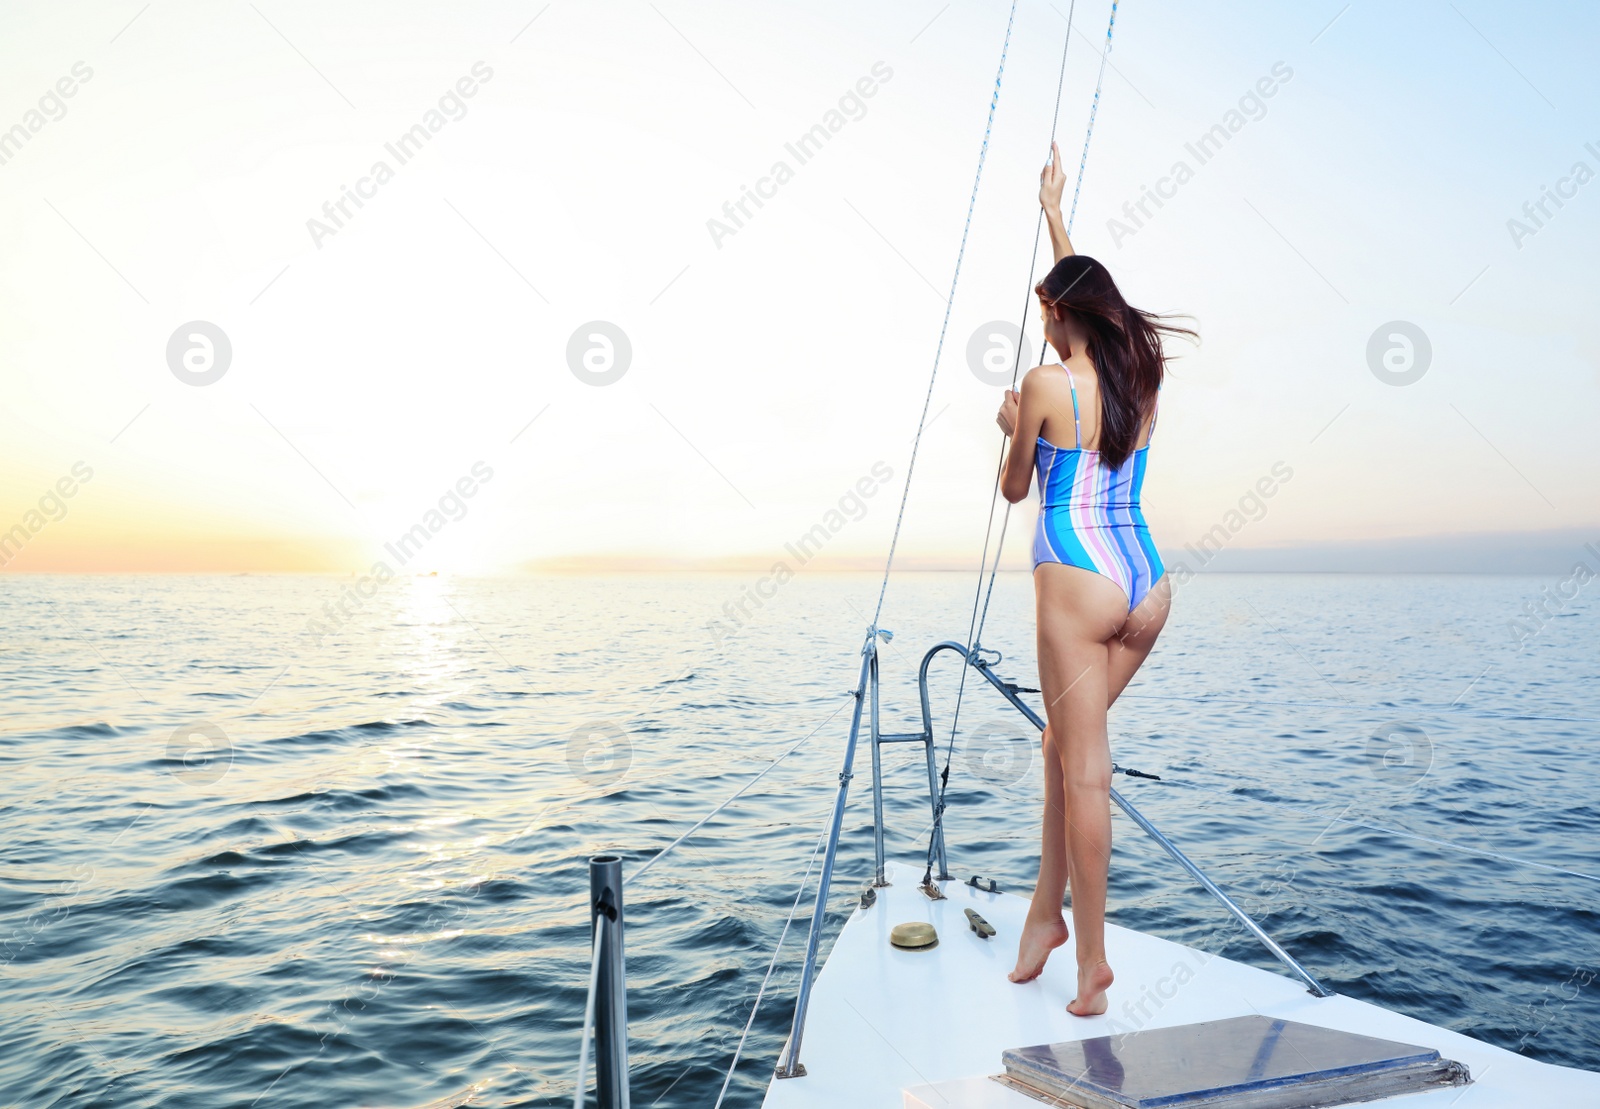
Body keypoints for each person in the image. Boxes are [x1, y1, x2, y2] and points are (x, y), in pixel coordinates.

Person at [994, 141, 1193, 1016]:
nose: (1041, 325)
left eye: (1046, 314)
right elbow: (1076, 294)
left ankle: (1093, 964)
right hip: (1145, 583)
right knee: (1059, 746)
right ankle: (1044, 917)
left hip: (1075, 579)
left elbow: (1014, 488)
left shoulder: (1041, 384)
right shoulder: (1141, 377)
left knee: (1083, 772)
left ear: (1059, 316)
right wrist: (1051, 212)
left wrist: (1012, 426)